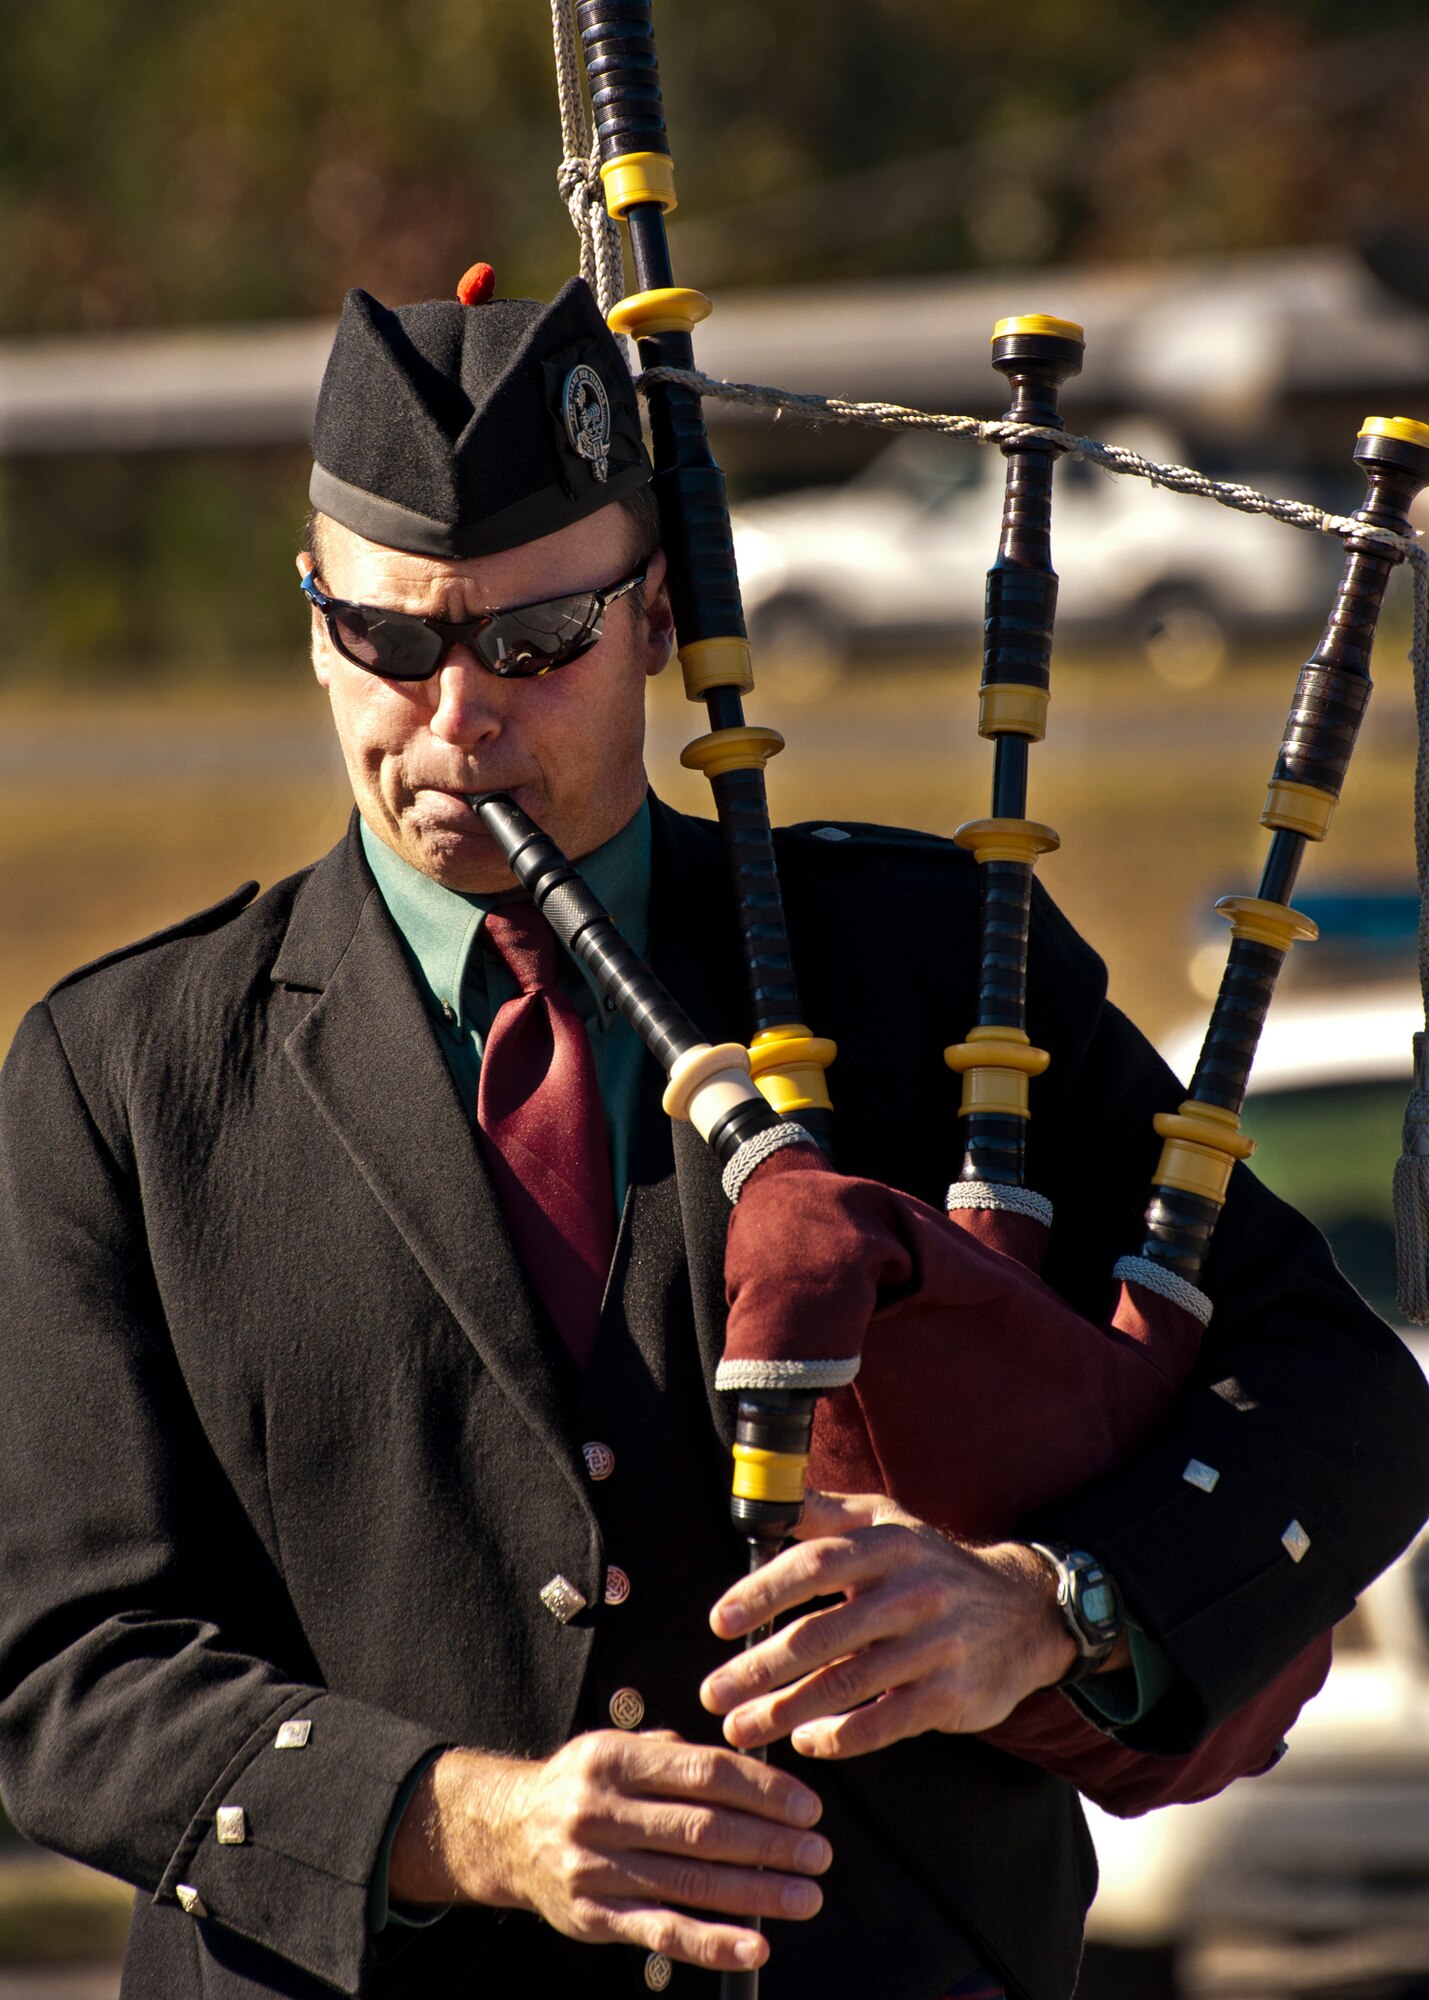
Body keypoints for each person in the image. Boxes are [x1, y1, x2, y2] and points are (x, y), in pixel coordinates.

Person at [0, 273, 1426, 2000]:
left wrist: (1046, 1609)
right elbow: (63, 1662)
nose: (458, 721)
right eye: (390, 639)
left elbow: (1338, 1402)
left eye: (535, 645)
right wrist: (462, 1821)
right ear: (314, 615)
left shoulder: (916, 968)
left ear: (660, 613)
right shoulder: (130, 1071)